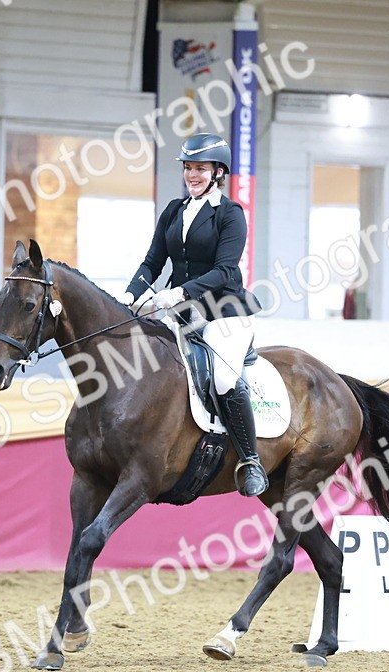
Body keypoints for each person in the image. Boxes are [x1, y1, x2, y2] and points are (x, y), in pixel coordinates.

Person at [117, 133, 267, 497]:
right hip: (179, 310)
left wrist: (180, 293)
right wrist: (129, 296)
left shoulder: (230, 214)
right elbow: (152, 262)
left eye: (200, 168)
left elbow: (225, 269)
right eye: (188, 168)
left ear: (217, 172)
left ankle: (250, 460)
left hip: (223, 312)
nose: (192, 175)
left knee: (223, 381)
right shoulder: (173, 210)